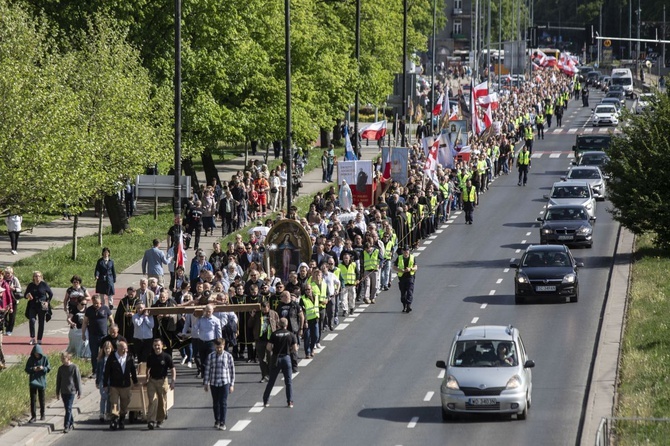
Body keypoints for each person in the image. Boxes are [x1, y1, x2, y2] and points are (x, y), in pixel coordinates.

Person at [262, 318, 298, 408]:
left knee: (271, 381)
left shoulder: (274, 334)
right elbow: (295, 348)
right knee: (288, 382)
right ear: (287, 324)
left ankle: (265, 401)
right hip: (286, 358)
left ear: (278, 324)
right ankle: (290, 402)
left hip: (276, 358)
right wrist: (289, 350)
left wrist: (274, 350)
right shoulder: (291, 334)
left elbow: (268, 347)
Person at [103, 340, 138, 430]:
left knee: (124, 404)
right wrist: (105, 384)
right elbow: (107, 371)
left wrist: (135, 381)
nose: (125, 350)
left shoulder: (129, 357)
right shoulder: (112, 357)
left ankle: (122, 419)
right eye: (123, 348)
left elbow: (133, 370)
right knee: (114, 403)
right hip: (114, 385)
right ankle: (114, 420)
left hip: (126, 385)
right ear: (118, 348)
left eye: (126, 348)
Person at [203, 338, 235, 430]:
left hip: (224, 382)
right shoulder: (211, 356)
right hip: (214, 382)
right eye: (217, 347)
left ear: (223, 346)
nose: (219, 349)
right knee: (215, 403)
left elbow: (232, 371)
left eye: (220, 347)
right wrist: (206, 383)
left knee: (223, 403)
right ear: (214, 346)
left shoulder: (228, 356)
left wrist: (232, 384)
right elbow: (207, 370)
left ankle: (222, 422)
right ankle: (217, 420)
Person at [146, 338, 176, 430]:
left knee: (162, 402)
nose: (157, 347)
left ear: (162, 346)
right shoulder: (150, 356)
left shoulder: (166, 357)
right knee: (153, 401)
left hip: (163, 381)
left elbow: (172, 369)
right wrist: (146, 379)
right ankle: (151, 420)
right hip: (152, 381)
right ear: (153, 346)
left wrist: (173, 381)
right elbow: (148, 368)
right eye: (155, 345)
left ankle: (160, 419)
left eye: (158, 345)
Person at [82, 295, 113, 375]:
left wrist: (112, 331)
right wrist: (83, 333)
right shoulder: (89, 310)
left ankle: (106, 369)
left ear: (101, 302)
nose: (96, 305)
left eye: (97, 303)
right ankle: (95, 371)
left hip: (104, 335)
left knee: (106, 352)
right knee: (94, 354)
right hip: (93, 335)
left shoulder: (105, 308)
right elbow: (85, 322)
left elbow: (111, 320)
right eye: (94, 303)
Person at [251, 301, 279, 382]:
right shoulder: (257, 314)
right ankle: (264, 375)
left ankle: (270, 375)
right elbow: (250, 325)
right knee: (261, 359)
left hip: (270, 340)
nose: (264, 311)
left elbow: (277, 325)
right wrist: (252, 316)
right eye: (262, 309)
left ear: (268, 307)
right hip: (260, 340)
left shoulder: (273, 314)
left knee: (270, 358)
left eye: (265, 309)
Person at [55, 352, 82, 433]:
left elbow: (78, 380)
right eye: (62, 359)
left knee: (68, 408)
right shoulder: (61, 368)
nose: (63, 360)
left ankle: (66, 425)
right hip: (63, 391)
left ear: (68, 358)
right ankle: (71, 422)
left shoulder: (74, 367)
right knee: (67, 408)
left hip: (71, 391)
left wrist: (79, 391)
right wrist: (57, 392)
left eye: (64, 358)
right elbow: (58, 381)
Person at [24, 271, 53, 346]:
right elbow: (25, 295)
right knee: (32, 320)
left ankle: (39, 339)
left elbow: (51, 294)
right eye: (36, 276)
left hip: (42, 306)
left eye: (39, 276)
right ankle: (32, 338)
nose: (37, 278)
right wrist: (27, 295)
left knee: (41, 322)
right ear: (33, 277)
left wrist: (47, 302)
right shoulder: (31, 285)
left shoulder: (44, 284)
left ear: (41, 277)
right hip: (32, 305)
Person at [25, 343, 51, 422]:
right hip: (33, 381)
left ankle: (42, 414)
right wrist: (33, 369)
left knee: (42, 398)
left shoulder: (44, 358)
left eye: (37, 353)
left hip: (41, 381)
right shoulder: (30, 359)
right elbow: (27, 369)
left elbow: (49, 368)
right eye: (35, 353)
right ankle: (33, 416)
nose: (36, 355)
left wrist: (43, 368)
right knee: (33, 399)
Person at [394, 246, 418, 313]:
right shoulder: (399, 258)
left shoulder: (412, 257)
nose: (406, 252)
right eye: (404, 251)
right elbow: (394, 267)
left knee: (410, 291)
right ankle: (404, 305)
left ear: (409, 251)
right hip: (402, 277)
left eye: (407, 250)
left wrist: (410, 269)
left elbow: (416, 267)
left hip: (410, 276)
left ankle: (408, 306)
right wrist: (400, 270)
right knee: (403, 293)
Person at [95, 341, 113, 422]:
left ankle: (108, 413)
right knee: (103, 396)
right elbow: (98, 371)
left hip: (110, 380)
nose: (107, 350)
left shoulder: (113, 359)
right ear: (103, 349)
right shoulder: (101, 359)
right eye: (106, 349)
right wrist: (97, 381)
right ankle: (101, 413)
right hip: (102, 379)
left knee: (109, 397)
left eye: (109, 349)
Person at [1, 267, 21, 336]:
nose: (7, 275)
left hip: (13, 299)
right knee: (4, 315)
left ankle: (9, 330)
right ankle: (6, 325)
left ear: (12, 273)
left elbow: (19, 289)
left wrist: (14, 289)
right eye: (6, 273)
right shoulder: (2, 280)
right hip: (4, 301)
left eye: (9, 273)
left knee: (12, 316)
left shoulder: (14, 279)